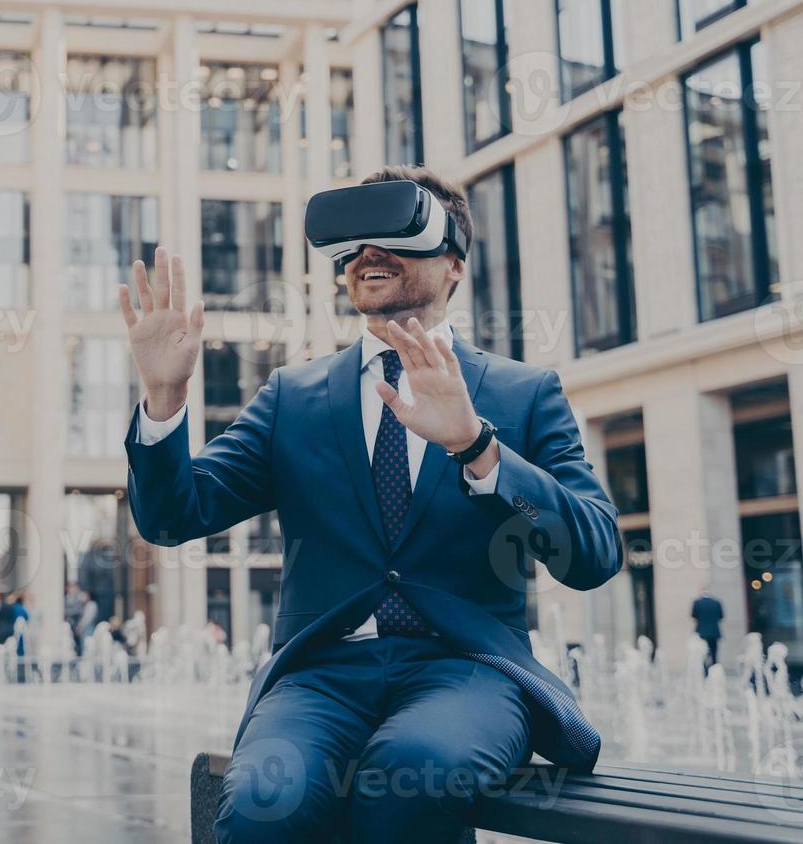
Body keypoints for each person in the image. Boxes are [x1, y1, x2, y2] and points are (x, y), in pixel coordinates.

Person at [119, 166, 623, 843]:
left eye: (396, 234)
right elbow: (172, 517)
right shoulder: (292, 397)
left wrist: (478, 447)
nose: (368, 253)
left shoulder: (523, 394)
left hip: (468, 673)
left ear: (453, 266)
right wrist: (164, 402)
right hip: (321, 675)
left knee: (412, 775)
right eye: (354, 243)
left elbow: (592, 555)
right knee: (266, 799)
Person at [692, 591, 724, 668]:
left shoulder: (697, 602)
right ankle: (714, 670)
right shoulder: (716, 602)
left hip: (701, 633)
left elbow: (693, 615)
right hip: (714, 632)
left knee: (703, 654)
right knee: (714, 653)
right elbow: (721, 616)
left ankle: (705, 672)